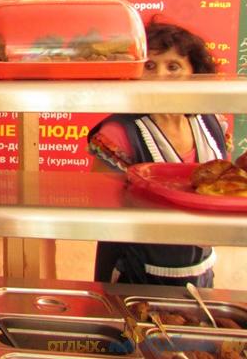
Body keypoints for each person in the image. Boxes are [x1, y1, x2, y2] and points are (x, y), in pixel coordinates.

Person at [87, 18, 229, 286]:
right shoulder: (117, 133)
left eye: (173, 67)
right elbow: (102, 207)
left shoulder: (212, 124)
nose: (160, 76)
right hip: (134, 272)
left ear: (195, 73)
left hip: (200, 272)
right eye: (150, 66)